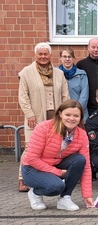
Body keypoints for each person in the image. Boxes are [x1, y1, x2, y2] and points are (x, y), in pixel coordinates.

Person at [21, 99, 94, 211]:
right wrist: (58, 173)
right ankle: (35, 193)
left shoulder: (82, 134)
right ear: (60, 114)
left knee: (80, 160)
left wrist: (87, 195)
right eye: (68, 114)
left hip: (56, 164)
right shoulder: (43, 128)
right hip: (32, 168)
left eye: (76, 116)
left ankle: (65, 198)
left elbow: (87, 166)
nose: (72, 118)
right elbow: (32, 158)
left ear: (80, 118)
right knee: (56, 187)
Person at [18, 42, 69, 192]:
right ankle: (22, 178)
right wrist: (29, 114)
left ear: (50, 55)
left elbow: (65, 95)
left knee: (52, 148)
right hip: (35, 117)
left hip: (55, 117)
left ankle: (47, 177)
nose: (43, 57)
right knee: (30, 148)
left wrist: (65, 115)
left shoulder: (59, 73)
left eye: (45, 54)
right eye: (40, 54)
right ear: (35, 55)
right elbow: (23, 97)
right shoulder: (26, 72)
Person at [58, 48, 89, 121]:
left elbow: (84, 95)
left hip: (79, 114)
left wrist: (76, 110)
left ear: (73, 59)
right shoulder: (55, 74)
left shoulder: (82, 74)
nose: (67, 59)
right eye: (65, 57)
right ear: (60, 58)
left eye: (70, 57)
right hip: (61, 114)